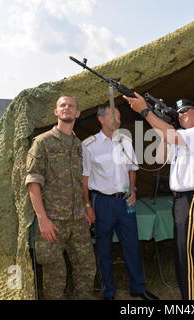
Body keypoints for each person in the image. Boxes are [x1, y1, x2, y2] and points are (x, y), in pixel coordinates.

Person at [123, 93, 194, 300]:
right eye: (178, 113)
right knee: (181, 255)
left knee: (188, 258)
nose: (180, 115)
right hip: (181, 200)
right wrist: (163, 128)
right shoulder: (181, 135)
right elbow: (160, 157)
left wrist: (145, 111)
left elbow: (173, 137)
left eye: (184, 111)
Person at [82, 104, 158, 300]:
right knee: (104, 247)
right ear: (101, 119)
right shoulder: (89, 144)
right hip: (103, 202)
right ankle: (108, 291)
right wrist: (87, 205)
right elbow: (84, 178)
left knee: (132, 245)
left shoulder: (125, 141)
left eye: (119, 116)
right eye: (113, 115)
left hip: (124, 202)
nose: (118, 119)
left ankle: (138, 288)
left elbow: (132, 169)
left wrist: (133, 189)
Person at [26, 96, 95, 300]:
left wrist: (87, 205)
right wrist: (42, 219)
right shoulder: (43, 142)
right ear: (56, 112)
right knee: (55, 275)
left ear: (77, 113)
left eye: (71, 105)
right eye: (62, 105)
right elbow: (33, 182)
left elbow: (80, 181)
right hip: (53, 222)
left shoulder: (78, 145)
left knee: (87, 267)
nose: (67, 108)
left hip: (78, 220)